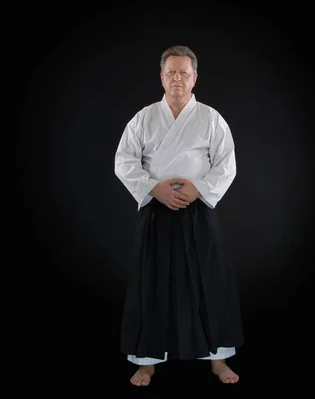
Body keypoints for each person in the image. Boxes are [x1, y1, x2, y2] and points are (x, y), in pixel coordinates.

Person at [114, 45, 244, 386]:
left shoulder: (210, 118)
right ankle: (146, 361)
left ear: (194, 77)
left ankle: (218, 358)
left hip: (197, 208)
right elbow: (124, 161)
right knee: (151, 283)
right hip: (157, 210)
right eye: (171, 72)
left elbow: (227, 163)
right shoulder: (143, 117)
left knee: (208, 282)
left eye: (184, 72)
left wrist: (198, 188)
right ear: (161, 77)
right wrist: (154, 188)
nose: (177, 78)